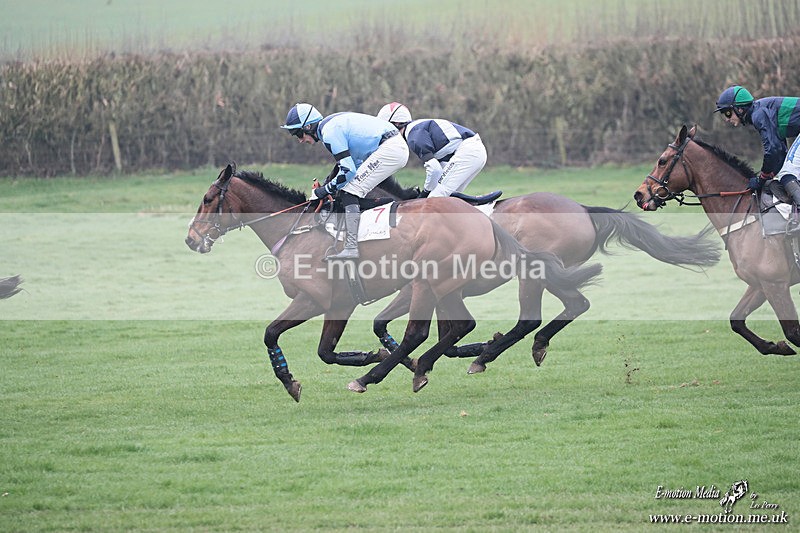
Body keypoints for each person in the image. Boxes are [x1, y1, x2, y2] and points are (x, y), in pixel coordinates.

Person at [281, 103, 409, 260]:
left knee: (349, 191)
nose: (300, 140)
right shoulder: (329, 126)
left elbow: (348, 171)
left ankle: (351, 247)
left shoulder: (329, 133)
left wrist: (324, 190)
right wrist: (330, 186)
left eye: (298, 134)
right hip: (391, 147)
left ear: (308, 127)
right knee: (347, 190)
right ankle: (389, 202)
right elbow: (352, 164)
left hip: (390, 149)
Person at [377, 102, 487, 198]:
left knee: (434, 200)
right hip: (473, 150)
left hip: (469, 151)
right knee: (450, 198)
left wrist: (425, 192)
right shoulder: (416, 129)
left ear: (396, 124)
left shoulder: (414, 137)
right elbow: (439, 169)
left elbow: (435, 169)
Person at [714, 85, 800, 206]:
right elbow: (780, 151)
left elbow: (773, 149)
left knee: (788, 174)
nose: (727, 119)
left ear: (739, 109)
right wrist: (769, 175)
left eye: (727, 113)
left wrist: (762, 178)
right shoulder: (760, 111)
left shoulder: (758, 114)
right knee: (786, 173)